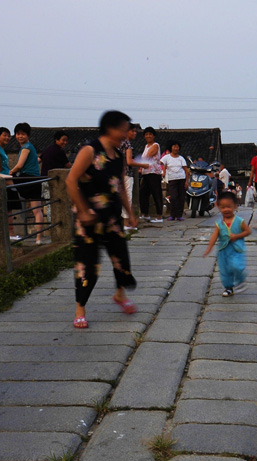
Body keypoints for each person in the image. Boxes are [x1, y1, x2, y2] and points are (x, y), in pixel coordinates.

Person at [66, 110, 138, 329]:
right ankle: (80, 309)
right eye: (124, 130)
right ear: (111, 128)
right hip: (88, 219)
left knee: (122, 260)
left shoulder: (117, 156)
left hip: (112, 217)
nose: (127, 135)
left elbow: (121, 188)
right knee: (88, 265)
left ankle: (119, 294)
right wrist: (83, 210)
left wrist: (130, 212)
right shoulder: (90, 150)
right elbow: (71, 181)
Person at [204, 191, 251, 297]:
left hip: (236, 250)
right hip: (223, 251)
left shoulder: (239, 221)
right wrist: (209, 248)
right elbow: (214, 237)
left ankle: (240, 280)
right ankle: (228, 288)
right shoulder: (219, 223)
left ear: (235, 206)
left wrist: (237, 236)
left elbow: (248, 231)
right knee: (224, 271)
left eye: (229, 207)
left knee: (236, 266)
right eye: (223, 207)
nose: (226, 210)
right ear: (219, 208)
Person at [10, 123, 46, 245]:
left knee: (4, 179)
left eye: (23, 134)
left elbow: (20, 165)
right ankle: (39, 238)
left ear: (28, 135)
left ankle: (11, 203)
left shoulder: (26, 148)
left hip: (27, 179)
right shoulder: (31, 147)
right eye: (18, 134)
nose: (20, 136)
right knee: (37, 210)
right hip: (35, 179)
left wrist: (11, 172)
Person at [120, 124, 149, 231]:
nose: (134, 133)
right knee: (127, 198)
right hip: (127, 174)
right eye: (132, 131)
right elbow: (129, 161)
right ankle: (126, 223)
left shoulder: (119, 143)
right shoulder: (127, 144)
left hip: (118, 174)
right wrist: (143, 165)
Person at [138, 127, 164, 223]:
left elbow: (148, 156)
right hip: (146, 173)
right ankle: (145, 214)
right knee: (143, 193)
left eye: (150, 134)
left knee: (156, 193)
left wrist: (137, 163)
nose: (148, 136)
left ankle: (159, 216)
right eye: (146, 134)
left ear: (153, 136)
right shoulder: (146, 146)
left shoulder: (155, 145)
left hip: (154, 172)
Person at [161, 140, 190, 221]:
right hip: (172, 179)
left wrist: (186, 181)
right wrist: (163, 172)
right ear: (171, 147)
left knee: (181, 198)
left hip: (181, 179)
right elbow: (162, 164)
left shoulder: (181, 158)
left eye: (177, 147)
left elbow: (186, 170)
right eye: (174, 146)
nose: (176, 148)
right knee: (173, 197)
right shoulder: (167, 157)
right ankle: (172, 215)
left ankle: (179, 215)